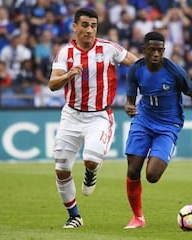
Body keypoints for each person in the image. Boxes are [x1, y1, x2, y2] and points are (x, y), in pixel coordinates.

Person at [48, 8, 138, 229]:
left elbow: (138, 65)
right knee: (61, 169)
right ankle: (74, 216)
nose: (89, 30)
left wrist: (136, 94)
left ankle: (91, 172)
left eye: (93, 26)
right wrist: (68, 75)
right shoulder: (65, 52)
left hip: (99, 115)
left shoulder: (108, 49)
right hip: (71, 115)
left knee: (90, 159)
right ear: (75, 26)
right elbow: (52, 84)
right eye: (85, 25)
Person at [123, 31, 192, 229]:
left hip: (168, 125)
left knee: (151, 176)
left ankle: (162, 151)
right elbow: (130, 101)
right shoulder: (135, 69)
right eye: (152, 50)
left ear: (164, 51)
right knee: (133, 169)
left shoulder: (174, 71)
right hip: (143, 121)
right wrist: (128, 107)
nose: (156, 54)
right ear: (144, 50)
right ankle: (138, 218)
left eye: (160, 50)